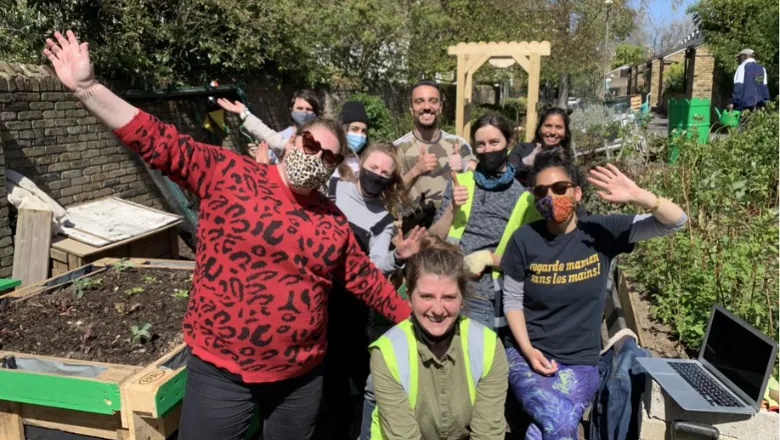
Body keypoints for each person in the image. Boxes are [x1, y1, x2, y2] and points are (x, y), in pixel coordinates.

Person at [42, 31, 411, 440]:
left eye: (329, 156)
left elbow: (369, 284)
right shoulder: (229, 174)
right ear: (292, 143)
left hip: (300, 381)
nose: (317, 157)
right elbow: (157, 140)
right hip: (222, 374)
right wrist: (87, 88)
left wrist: (422, 322)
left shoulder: (332, 222)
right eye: (311, 144)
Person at [500, 148, 687, 440]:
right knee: (559, 423)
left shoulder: (600, 231)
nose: (551, 196)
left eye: (560, 188)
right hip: (525, 357)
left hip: (580, 363)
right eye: (541, 191)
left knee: (547, 428)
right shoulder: (524, 239)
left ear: (577, 193)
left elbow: (675, 220)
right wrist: (528, 350)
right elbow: (511, 300)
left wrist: (640, 196)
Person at [322, 143, 424, 439]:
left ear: (391, 180)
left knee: (347, 384)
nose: (376, 175)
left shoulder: (382, 218)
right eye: (373, 167)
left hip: (350, 307)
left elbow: (377, 266)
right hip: (313, 298)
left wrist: (399, 256)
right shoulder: (331, 188)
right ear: (361, 163)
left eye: (384, 172)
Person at [368, 235, 508, 440]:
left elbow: (488, 433)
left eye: (449, 297)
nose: (438, 309)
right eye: (426, 296)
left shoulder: (488, 346)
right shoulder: (386, 353)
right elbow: (403, 436)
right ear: (409, 297)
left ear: (462, 299)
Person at [429, 114, 539, 331]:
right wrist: (452, 207)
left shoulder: (522, 197)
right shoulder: (461, 182)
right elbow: (432, 238)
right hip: (447, 284)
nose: (488, 149)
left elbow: (530, 259)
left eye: (494, 142)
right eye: (481, 144)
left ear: (509, 143)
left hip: (484, 294)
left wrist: (488, 258)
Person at [394, 80, 477, 232]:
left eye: (433, 101)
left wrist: (464, 166)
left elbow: (481, 176)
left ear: (440, 108)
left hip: (454, 227)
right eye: (419, 102)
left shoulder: (457, 143)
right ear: (411, 109)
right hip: (414, 230)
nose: (427, 107)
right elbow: (393, 195)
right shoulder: (398, 148)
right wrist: (416, 171)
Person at [217, 89, 321, 162]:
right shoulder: (281, 137)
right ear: (291, 110)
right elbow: (271, 142)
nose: (304, 113)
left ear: (315, 113)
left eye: (309, 110)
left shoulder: (323, 137)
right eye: (300, 109)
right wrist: (258, 156)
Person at [508, 107, 572, 186]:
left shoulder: (565, 156)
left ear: (565, 133)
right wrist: (526, 162)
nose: (552, 132)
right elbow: (506, 175)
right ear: (539, 129)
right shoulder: (522, 149)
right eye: (548, 126)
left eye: (558, 127)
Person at [331, 100, 371, 185]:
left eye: (363, 131)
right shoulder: (330, 161)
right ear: (343, 130)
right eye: (354, 129)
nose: (360, 135)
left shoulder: (368, 161)